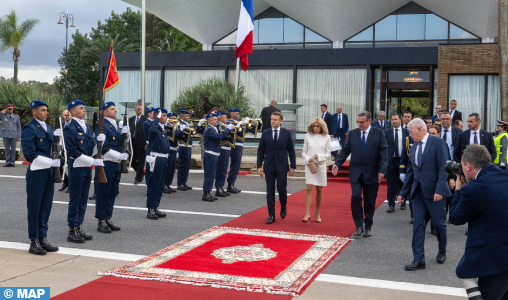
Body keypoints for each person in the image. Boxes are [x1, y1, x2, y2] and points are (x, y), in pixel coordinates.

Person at [449, 144, 508, 300]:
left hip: (495, 259)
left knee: (466, 273)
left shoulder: (474, 188)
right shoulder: (502, 175)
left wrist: (459, 189)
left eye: (461, 166)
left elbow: (455, 217)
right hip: (503, 248)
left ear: (468, 166)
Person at [397, 119, 451, 271]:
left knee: (439, 224)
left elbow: (443, 169)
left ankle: (442, 249)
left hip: (435, 192)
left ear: (420, 129)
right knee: (418, 226)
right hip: (418, 193)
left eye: (411, 132)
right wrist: (403, 193)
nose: (409, 135)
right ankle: (419, 259)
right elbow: (411, 173)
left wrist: (439, 190)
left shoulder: (437, 143)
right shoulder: (413, 148)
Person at [332, 111, 388, 237]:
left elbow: (384, 154)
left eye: (362, 122)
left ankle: (368, 225)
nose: (359, 124)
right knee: (356, 197)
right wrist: (337, 164)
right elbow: (345, 151)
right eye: (358, 122)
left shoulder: (379, 134)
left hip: (372, 173)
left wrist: (382, 170)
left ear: (369, 121)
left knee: (370, 201)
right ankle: (358, 225)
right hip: (356, 172)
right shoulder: (352, 133)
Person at [21, 100, 61, 255]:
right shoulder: (29, 128)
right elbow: (30, 154)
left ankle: (43, 237)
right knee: (35, 207)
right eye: (42, 110)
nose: (46, 113)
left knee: (46, 206)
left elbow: (54, 149)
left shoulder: (49, 128)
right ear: (34, 112)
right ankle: (34, 240)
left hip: (49, 172)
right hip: (37, 171)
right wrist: (52, 162)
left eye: (46, 110)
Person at [64, 100, 103, 243]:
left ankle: (79, 226)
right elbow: (72, 151)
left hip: (86, 168)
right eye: (81, 108)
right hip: (77, 167)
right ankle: (72, 229)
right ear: (73, 112)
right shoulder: (70, 127)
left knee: (83, 199)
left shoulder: (86, 127)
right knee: (75, 198)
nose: (84, 110)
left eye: (83, 108)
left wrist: (100, 143)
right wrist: (92, 161)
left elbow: (92, 149)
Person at [94, 102, 129, 233]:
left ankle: (108, 217)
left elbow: (120, 144)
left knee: (112, 192)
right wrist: (119, 155)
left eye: (115, 108)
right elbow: (103, 147)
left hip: (115, 163)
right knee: (103, 192)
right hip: (106, 163)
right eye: (112, 109)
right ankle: (101, 220)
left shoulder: (115, 125)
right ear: (105, 112)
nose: (115, 110)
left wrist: (125, 135)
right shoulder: (102, 125)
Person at [257, 111, 296, 224]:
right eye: (271, 119)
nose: (272, 121)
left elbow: (291, 151)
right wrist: (259, 165)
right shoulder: (265, 133)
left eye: (275, 119)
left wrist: (292, 166)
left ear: (280, 121)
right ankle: (271, 215)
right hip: (269, 166)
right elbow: (260, 151)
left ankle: (283, 207)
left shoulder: (286, 133)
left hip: (282, 166)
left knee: (281, 189)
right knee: (270, 191)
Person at [301, 117, 331, 223]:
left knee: (319, 190)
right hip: (310, 165)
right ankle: (307, 213)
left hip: (320, 165)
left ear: (322, 126)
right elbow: (303, 151)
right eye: (314, 126)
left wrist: (319, 156)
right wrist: (307, 159)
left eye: (318, 126)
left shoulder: (326, 137)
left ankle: (317, 212)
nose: (316, 128)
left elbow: (328, 155)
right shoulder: (307, 136)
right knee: (309, 188)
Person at [202, 113, 233, 201]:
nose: (217, 121)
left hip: (214, 155)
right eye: (215, 119)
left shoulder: (214, 128)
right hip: (210, 155)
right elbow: (219, 136)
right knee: (209, 175)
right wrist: (227, 129)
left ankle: (208, 193)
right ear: (210, 121)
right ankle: (205, 194)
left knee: (212, 175)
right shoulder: (209, 129)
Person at [145, 108, 170, 220]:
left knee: (160, 185)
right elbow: (153, 130)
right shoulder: (153, 127)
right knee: (154, 184)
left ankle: (155, 206)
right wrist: (157, 118)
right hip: (155, 159)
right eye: (164, 116)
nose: (166, 118)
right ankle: (150, 208)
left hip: (163, 159)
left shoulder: (163, 129)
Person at [385, 114, 408, 213]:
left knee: (402, 181)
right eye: (392, 119)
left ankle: (403, 201)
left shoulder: (406, 132)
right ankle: (391, 204)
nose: (393, 121)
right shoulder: (386, 132)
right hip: (391, 161)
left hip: (402, 160)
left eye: (395, 119)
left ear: (400, 120)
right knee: (390, 183)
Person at [214, 112, 239, 197]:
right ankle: (218, 188)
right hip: (222, 149)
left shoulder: (224, 126)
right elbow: (222, 135)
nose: (226, 119)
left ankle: (221, 186)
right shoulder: (219, 125)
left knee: (224, 170)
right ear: (220, 119)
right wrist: (228, 129)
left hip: (227, 149)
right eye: (225, 117)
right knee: (220, 169)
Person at [226, 108, 246, 194]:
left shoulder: (238, 123)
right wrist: (241, 124)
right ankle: (230, 185)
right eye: (237, 114)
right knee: (234, 165)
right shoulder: (230, 124)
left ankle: (232, 184)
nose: (238, 115)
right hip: (235, 146)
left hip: (239, 146)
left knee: (236, 166)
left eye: (238, 114)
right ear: (232, 114)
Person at [163, 112, 182, 194]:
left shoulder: (174, 127)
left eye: (175, 118)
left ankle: (168, 183)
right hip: (169, 149)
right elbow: (173, 137)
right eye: (172, 118)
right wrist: (180, 130)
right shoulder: (167, 127)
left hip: (174, 149)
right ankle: (164, 185)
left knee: (172, 168)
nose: (174, 120)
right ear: (168, 118)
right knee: (168, 168)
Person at [129, 105, 147, 184]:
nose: (140, 111)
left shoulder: (145, 120)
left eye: (141, 109)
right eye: (138, 109)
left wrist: (146, 143)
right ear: (135, 110)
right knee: (132, 160)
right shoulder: (131, 119)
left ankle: (138, 177)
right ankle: (141, 173)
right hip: (133, 142)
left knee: (141, 161)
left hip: (141, 143)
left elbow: (147, 133)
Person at [176, 110, 193, 191]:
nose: (188, 117)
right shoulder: (180, 124)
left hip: (188, 147)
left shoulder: (186, 124)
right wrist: (181, 129)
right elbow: (178, 134)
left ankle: (184, 182)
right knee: (182, 165)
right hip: (183, 147)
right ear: (182, 117)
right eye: (186, 116)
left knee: (186, 165)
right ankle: (180, 183)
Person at [59, 109, 72, 192]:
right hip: (63, 149)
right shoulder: (61, 125)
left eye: (68, 115)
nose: (67, 117)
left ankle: (70, 185)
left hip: (71, 149)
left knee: (71, 167)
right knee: (59, 165)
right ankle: (65, 181)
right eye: (65, 115)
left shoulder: (74, 125)